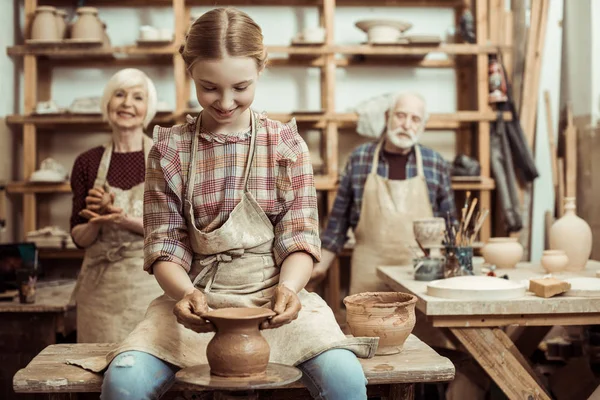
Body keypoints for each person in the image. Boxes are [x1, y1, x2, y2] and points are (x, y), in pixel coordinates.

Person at [70, 8, 376, 400]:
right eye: (209, 87)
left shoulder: (285, 145)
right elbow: (165, 245)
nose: (226, 101)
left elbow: (299, 237)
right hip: (195, 299)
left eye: (240, 87)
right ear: (190, 73)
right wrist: (184, 295)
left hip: (275, 297)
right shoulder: (170, 149)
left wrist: (290, 287)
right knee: (123, 381)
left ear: (260, 71)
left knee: (345, 377)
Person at [308, 92, 457, 294]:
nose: (406, 125)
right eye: (401, 115)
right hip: (369, 271)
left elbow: (450, 227)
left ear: (422, 126)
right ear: (388, 117)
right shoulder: (360, 159)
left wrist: (456, 275)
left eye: (415, 119)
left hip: (420, 275)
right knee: (368, 323)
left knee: (418, 325)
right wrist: (320, 267)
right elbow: (338, 222)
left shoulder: (435, 163)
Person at [69, 68, 164, 343]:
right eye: (119, 95)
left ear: (148, 108)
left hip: (150, 284)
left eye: (137, 97)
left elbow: (175, 231)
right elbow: (78, 236)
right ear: (108, 103)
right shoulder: (87, 162)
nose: (127, 104)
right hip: (100, 290)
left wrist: (123, 220)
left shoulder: (163, 157)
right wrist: (96, 222)